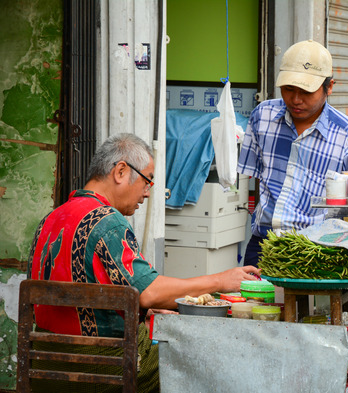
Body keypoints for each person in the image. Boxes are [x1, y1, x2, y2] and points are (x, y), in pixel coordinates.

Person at [28, 133, 260, 392]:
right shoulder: (107, 221)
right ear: (121, 171)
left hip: (43, 363)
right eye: (147, 181)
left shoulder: (50, 220)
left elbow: (98, 290)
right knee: (199, 356)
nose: (147, 194)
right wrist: (221, 280)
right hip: (104, 365)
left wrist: (142, 311)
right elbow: (148, 292)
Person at [237, 40, 348, 267]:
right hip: (264, 246)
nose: (296, 99)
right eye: (289, 89)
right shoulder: (262, 116)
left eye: (306, 91)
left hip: (319, 252)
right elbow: (258, 180)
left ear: (329, 87)